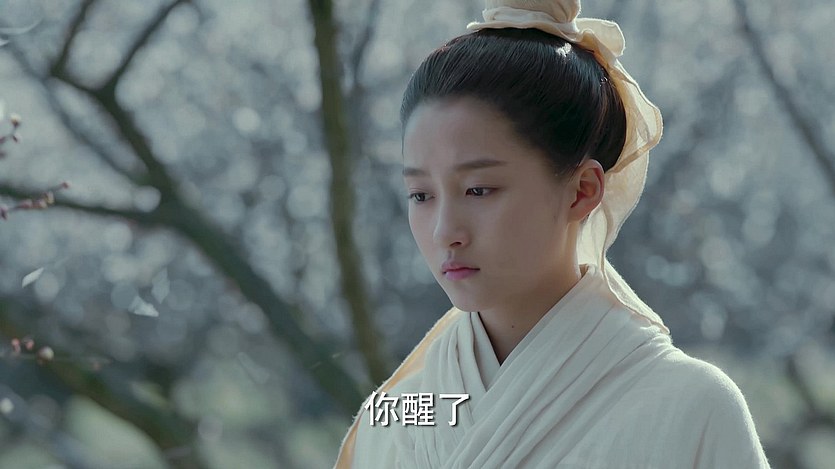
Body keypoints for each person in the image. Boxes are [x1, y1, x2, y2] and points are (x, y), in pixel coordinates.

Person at [333, 0, 772, 467]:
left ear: (582, 190)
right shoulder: (394, 418)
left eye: (479, 189)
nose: (445, 232)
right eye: (420, 195)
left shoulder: (692, 409)